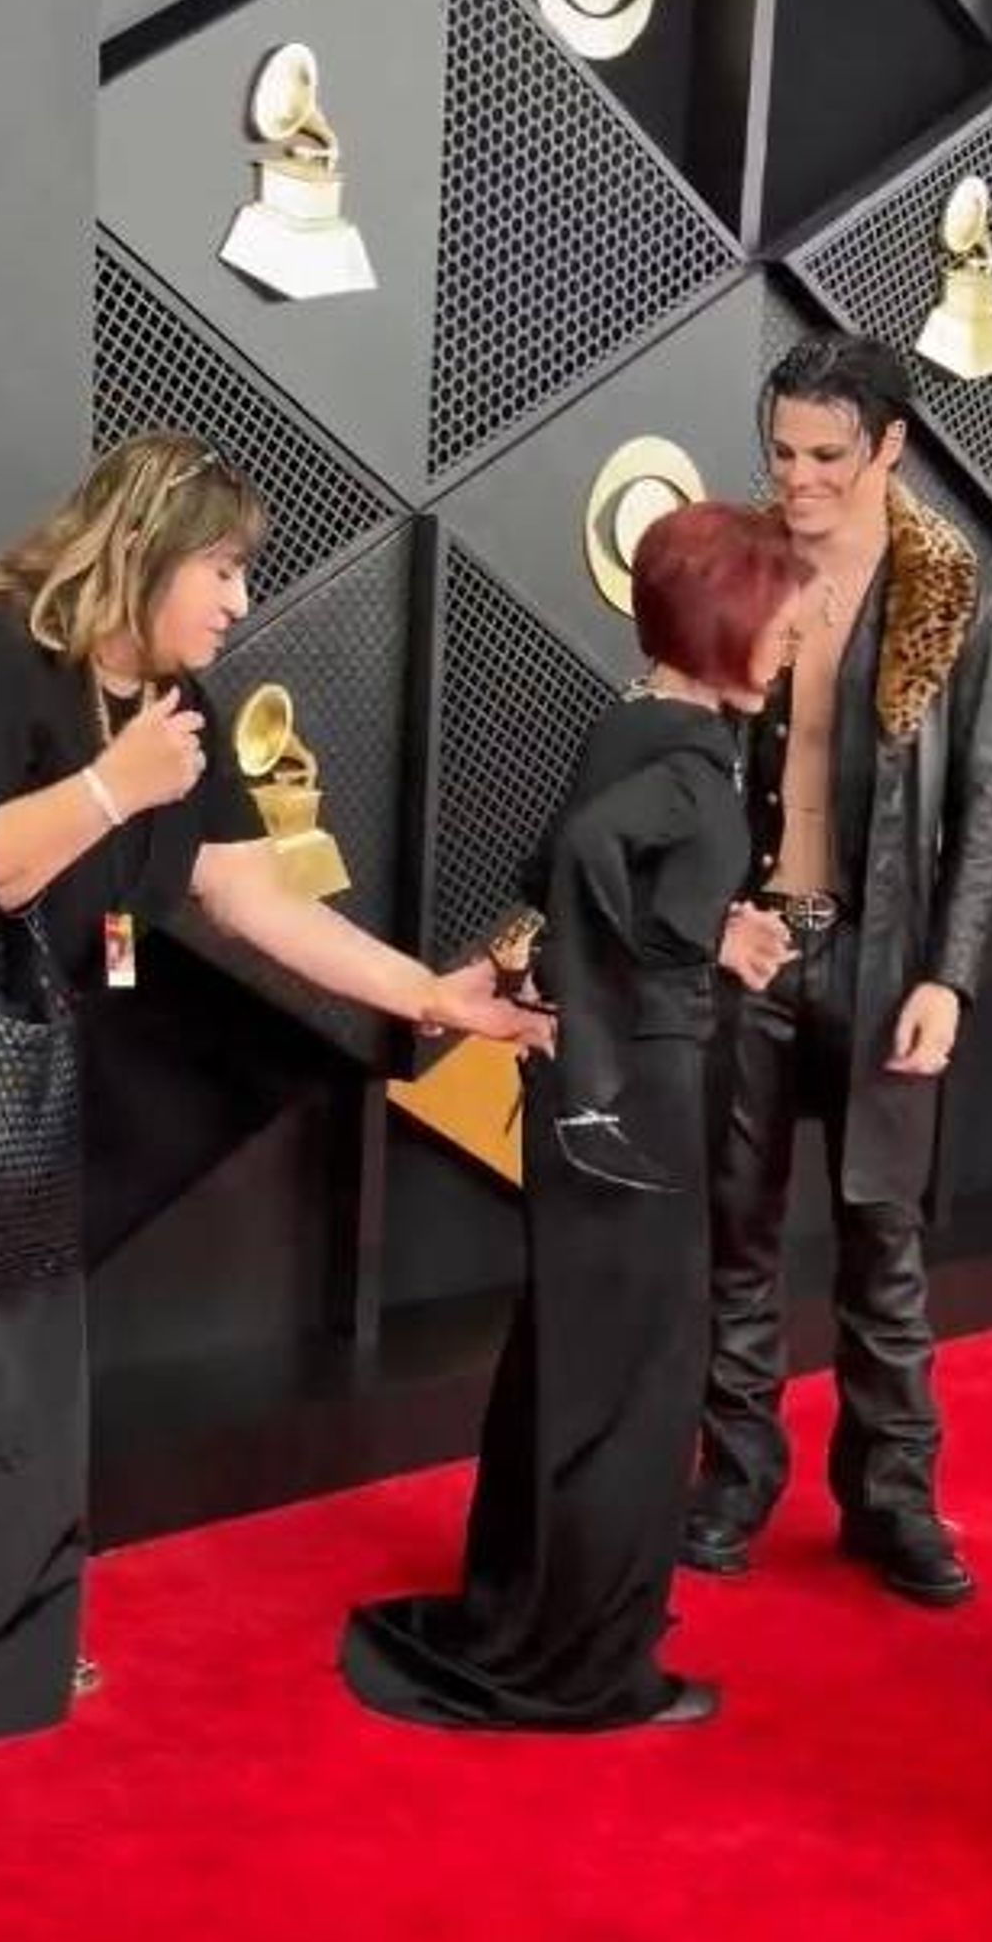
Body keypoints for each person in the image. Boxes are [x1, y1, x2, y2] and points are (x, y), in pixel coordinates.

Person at [0, 430, 545, 1768]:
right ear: (142, 548)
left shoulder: (172, 709)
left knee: (21, 1383)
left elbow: (248, 892)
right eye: (221, 568)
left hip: (23, 1081)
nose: (236, 602)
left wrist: (431, 1001)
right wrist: (106, 791)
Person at [340, 502, 810, 1732]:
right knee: (634, 1381)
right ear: (728, 619)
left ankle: (532, 1612)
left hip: (600, 1092)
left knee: (576, 1361)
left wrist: (695, 940)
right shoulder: (688, 756)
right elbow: (593, 857)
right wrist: (619, 1012)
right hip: (633, 1103)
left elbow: (554, 874)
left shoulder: (634, 720)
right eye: (787, 618)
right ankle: (587, 1667)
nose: (798, 638)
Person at [682, 335, 992, 1604]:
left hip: (883, 960)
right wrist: (703, 917)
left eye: (829, 454)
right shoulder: (734, 566)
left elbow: (983, 800)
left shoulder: (953, 587)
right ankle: (735, 1476)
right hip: (751, 950)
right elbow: (681, 752)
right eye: (783, 451)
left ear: (888, 448)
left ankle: (893, 1499)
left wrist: (951, 975)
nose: (800, 478)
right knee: (736, 1234)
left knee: (885, 1243)